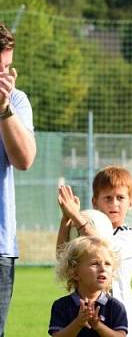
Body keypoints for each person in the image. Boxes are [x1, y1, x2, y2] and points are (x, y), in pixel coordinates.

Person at [56, 167, 132, 337]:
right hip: (83, 310)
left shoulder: (128, 235)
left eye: (120, 198)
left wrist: (76, 216)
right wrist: (66, 218)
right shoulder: (84, 230)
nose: (114, 203)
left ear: (130, 202)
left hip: (116, 315)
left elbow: (103, 247)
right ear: (95, 202)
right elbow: (62, 255)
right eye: (107, 198)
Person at [0, 22, 36, 336]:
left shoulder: (17, 101)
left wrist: (3, 110)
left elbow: (24, 159)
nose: (4, 76)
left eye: (8, 67)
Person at [49, 235, 128, 336]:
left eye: (107, 264)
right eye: (95, 263)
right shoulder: (62, 306)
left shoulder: (115, 306)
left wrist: (98, 325)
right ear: (75, 273)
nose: (103, 269)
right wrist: (78, 323)